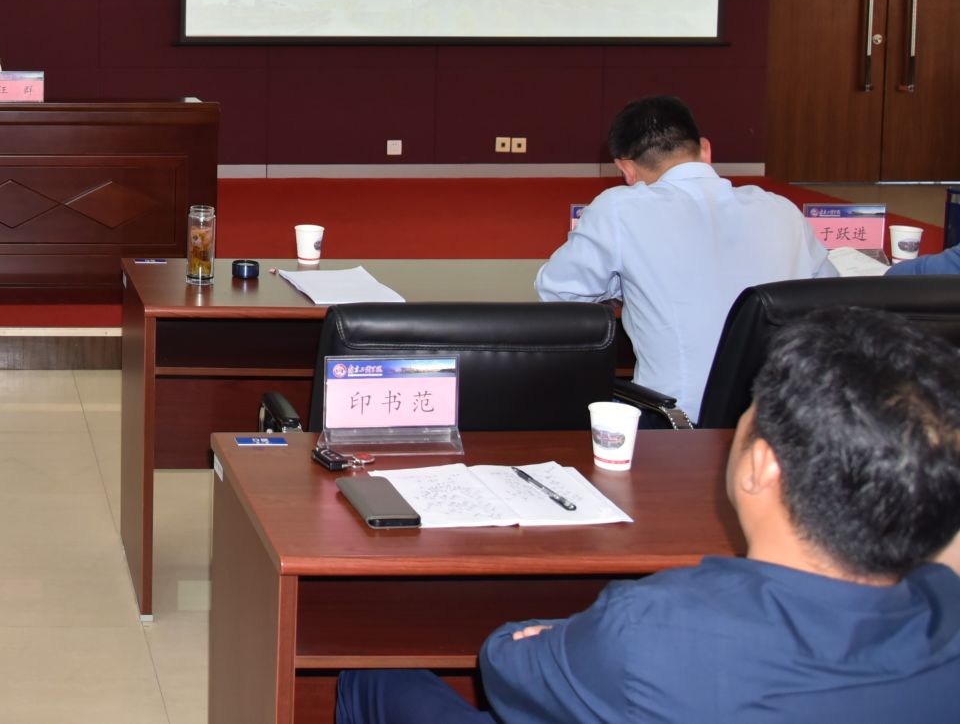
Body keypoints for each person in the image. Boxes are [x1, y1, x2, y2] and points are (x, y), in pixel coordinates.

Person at [335, 306, 960, 723]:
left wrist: (538, 632)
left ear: (763, 466)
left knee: (372, 676)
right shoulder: (946, 612)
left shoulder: (651, 627)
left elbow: (506, 669)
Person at [536, 95, 833, 420]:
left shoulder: (619, 209)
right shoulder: (782, 210)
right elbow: (832, 299)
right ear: (705, 150)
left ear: (626, 169)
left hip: (677, 422)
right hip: (785, 417)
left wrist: (621, 289)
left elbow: (557, 293)